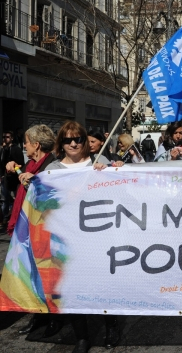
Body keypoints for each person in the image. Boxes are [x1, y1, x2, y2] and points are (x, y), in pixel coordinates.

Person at [45, 121, 119, 352]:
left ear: (85, 141)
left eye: (78, 139)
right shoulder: (53, 169)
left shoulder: (100, 162)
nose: (74, 143)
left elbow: (121, 192)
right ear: (61, 143)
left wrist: (118, 169)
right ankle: (82, 336)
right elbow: (44, 202)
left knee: (103, 285)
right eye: (68, 140)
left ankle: (111, 326)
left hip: (99, 237)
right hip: (66, 239)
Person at [4, 125, 61, 338]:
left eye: (26, 142)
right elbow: (16, 188)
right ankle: (38, 316)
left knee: (46, 274)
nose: (24, 146)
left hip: (43, 228)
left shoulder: (50, 165)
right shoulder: (29, 163)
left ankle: (55, 319)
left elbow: (51, 196)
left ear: (36, 145)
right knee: (31, 273)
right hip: (25, 224)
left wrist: (34, 182)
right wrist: (11, 171)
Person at [1, 131, 24, 231]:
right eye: (4, 137)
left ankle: (14, 218)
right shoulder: (3, 150)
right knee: (4, 200)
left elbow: (21, 164)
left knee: (17, 199)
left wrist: (15, 170)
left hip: (15, 178)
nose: (5, 138)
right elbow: (1, 164)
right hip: (5, 178)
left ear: (12, 138)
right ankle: (4, 219)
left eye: (7, 136)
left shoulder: (16, 149)